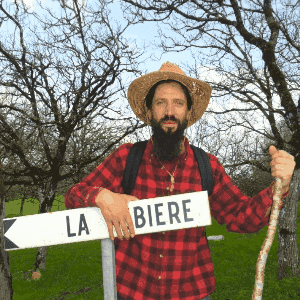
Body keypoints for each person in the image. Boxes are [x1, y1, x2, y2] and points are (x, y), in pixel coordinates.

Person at [64, 62, 295, 300]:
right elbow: (73, 195)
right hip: (132, 290)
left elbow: (241, 216)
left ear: (187, 112)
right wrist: (103, 197)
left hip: (192, 292)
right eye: (161, 102)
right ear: (150, 110)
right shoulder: (126, 158)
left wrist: (280, 187)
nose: (169, 111)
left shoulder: (207, 166)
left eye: (178, 103)